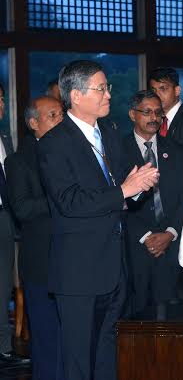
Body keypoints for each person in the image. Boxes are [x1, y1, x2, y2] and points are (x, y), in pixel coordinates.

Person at [38, 60, 159, 380]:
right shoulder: (54, 143)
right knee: (78, 360)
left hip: (114, 268)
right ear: (76, 95)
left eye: (107, 88)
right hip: (78, 272)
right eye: (101, 88)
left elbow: (120, 194)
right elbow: (70, 202)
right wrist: (124, 190)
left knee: (108, 356)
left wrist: (136, 188)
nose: (109, 94)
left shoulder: (109, 134)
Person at [5, 96, 64, 378]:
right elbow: (23, 208)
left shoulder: (76, 153)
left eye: (62, 114)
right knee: (46, 340)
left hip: (76, 260)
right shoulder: (20, 161)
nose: (61, 120)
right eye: (53, 115)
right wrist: (61, 200)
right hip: (42, 262)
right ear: (33, 124)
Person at [123, 90, 183, 315]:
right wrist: (146, 237)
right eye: (147, 112)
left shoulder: (177, 150)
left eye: (158, 113)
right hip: (135, 246)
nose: (153, 118)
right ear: (133, 114)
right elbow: (116, 199)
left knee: (170, 314)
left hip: (171, 245)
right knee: (136, 313)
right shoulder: (117, 151)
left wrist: (170, 233)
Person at [0, 83, 26, 365]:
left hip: (4, 218)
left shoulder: (5, 138)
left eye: (2, 99)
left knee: (3, 285)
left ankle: (4, 347)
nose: (1, 105)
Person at [148, 67, 183, 148]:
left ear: (177, 90)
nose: (157, 95)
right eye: (153, 91)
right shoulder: (152, 121)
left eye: (163, 89)